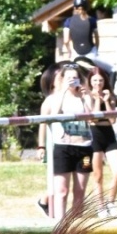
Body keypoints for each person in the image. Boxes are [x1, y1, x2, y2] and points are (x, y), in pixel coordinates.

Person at [37, 63, 92, 219]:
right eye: (69, 78)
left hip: (85, 149)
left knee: (80, 190)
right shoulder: (55, 98)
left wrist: (84, 96)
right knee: (61, 191)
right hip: (63, 148)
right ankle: (60, 225)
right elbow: (54, 115)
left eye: (75, 78)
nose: (72, 81)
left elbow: (91, 116)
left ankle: (75, 224)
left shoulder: (84, 96)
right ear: (61, 80)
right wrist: (63, 93)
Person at [84, 67, 117, 217]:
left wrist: (106, 101)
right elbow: (92, 118)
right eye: (95, 80)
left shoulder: (110, 96)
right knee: (98, 175)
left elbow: (112, 119)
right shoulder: (88, 96)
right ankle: (100, 206)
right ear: (90, 81)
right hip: (95, 135)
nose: (98, 83)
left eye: (100, 80)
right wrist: (96, 99)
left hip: (109, 135)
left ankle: (110, 202)